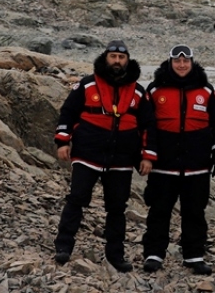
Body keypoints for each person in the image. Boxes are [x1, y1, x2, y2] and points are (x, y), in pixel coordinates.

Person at [53, 40, 148, 271]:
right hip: (87, 154)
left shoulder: (138, 91)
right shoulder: (86, 85)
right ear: (106, 58)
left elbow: (147, 126)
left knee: (117, 208)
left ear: (128, 60)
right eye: (113, 56)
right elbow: (67, 113)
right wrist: (62, 141)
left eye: (121, 57)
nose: (117, 61)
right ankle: (63, 247)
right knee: (76, 199)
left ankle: (115, 255)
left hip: (122, 160)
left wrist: (146, 156)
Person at [139, 45, 215, 274]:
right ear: (170, 63)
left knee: (195, 213)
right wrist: (147, 155)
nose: (181, 65)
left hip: (197, 166)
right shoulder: (155, 90)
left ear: (191, 63)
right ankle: (154, 253)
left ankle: (194, 255)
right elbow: (146, 126)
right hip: (163, 167)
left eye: (185, 61)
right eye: (177, 61)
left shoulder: (206, 91)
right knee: (159, 211)